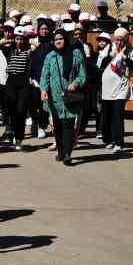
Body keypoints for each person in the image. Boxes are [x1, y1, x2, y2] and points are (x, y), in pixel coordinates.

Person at [39, 29, 87, 166]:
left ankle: (67, 154)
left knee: (68, 126)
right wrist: (43, 90)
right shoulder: (50, 56)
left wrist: (75, 83)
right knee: (58, 126)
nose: (58, 41)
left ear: (66, 39)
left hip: (70, 95)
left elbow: (82, 74)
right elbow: (44, 76)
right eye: (55, 39)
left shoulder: (76, 54)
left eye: (60, 38)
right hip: (54, 98)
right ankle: (60, 151)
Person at [97, 28, 133, 154]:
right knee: (107, 115)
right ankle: (108, 139)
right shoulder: (109, 48)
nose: (118, 42)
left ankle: (119, 143)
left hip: (121, 86)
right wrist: (111, 56)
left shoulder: (130, 50)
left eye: (121, 40)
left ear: (126, 39)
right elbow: (100, 64)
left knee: (117, 114)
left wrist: (125, 58)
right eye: (116, 39)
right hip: (107, 86)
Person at [0, 28, 33, 149]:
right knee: (12, 110)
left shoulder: (28, 51)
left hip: (23, 81)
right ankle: (13, 133)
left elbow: (37, 44)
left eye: (21, 39)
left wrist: (29, 40)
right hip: (11, 81)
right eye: (17, 39)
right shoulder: (10, 50)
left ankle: (19, 138)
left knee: (21, 110)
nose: (19, 41)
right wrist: (9, 39)